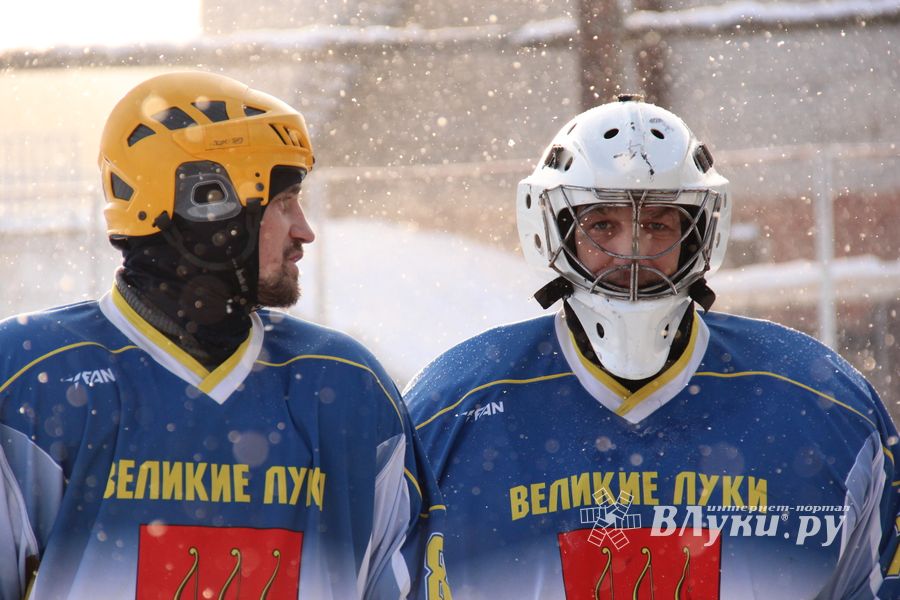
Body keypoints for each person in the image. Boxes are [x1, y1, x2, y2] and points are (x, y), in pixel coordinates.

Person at [405, 96, 900, 599]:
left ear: (697, 235)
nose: (633, 252)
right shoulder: (452, 406)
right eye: (602, 225)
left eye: (657, 225)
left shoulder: (823, 401)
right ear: (553, 230)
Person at [0, 71, 450, 600]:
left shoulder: (350, 388)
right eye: (283, 202)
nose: (304, 230)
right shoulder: (30, 378)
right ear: (206, 199)